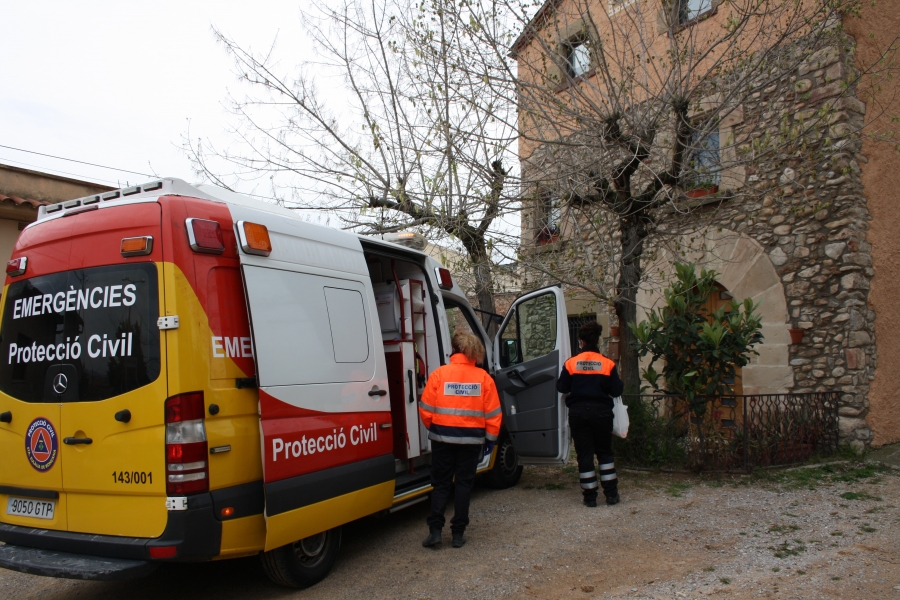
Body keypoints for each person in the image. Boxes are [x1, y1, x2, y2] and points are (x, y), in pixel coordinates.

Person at [419, 331, 502, 549]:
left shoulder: (439, 375)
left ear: (454, 350)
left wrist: (436, 428)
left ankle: (435, 531)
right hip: (472, 441)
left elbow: (426, 409)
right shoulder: (484, 378)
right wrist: (490, 440)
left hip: (442, 439)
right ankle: (457, 534)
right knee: (464, 485)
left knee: (441, 484)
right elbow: (494, 414)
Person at [557, 321, 625, 507]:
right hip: (602, 412)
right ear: (597, 340)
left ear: (581, 341)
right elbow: (617, 390)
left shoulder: (571, 363)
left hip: (578, 413)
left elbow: (561, 387)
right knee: (604, 453)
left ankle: (590, 497)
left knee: (584, 455)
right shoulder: (607, 363)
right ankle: (611, 494)